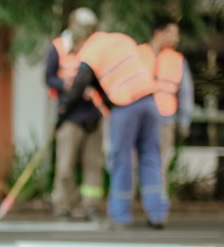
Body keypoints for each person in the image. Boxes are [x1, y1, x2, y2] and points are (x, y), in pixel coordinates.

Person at [59, 29, 169, 230]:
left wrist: (63, 111)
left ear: (81, 40)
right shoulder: (122, 38)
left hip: (125, 106)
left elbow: (79, 84)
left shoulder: (90, 50)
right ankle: (157, 214)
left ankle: (120, 216)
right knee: (151, 157)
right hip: (149, 102)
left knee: (121, 159)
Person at [45, 7, 107, 222]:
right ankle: (63, 206)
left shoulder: (95, 48)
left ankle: (89, 207)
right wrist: (67, 84)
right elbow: (49, 77)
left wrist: (94, 90)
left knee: (93, 164)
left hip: (93, 114)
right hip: (70, 114)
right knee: (65, 166)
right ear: (72, 25)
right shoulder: (59, 47)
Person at [137, 14, 194, 195]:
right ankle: (127, 205)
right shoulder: (138, 53)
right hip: (138, 118)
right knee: (133, 162)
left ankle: (157, 208)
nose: (177, 39)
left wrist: (184, 121)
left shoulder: (177, 60)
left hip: (165, 119)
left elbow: (185, 92)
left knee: (160, 164)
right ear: (159, 33)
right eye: (173, 33)